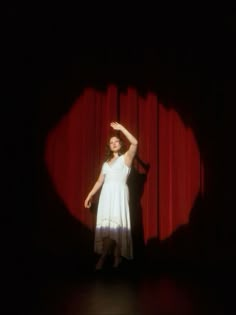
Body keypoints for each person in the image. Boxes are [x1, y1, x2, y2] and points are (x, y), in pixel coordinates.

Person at [84, 122, 138, 270]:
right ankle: (117, 257)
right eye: (111, 142)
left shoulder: (126, 158)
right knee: (109, 227)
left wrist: (121, 129)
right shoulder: (105, 163)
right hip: (106, 196)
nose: (114, 144)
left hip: (119, 194)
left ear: (121, 143)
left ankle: (104, 257)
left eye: (116, 141)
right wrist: (90, 195)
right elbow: (99, 181)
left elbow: (135, 142)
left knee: (117, 226)